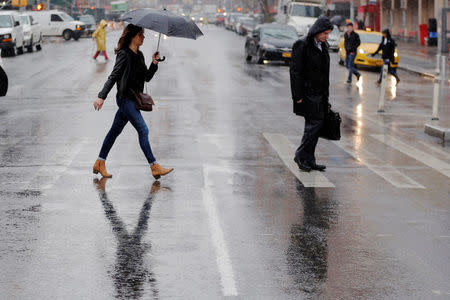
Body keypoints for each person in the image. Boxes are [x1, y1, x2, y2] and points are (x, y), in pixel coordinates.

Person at [92, 24, 173, 180]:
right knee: (143, 130)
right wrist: (102, 96)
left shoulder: (139, 55)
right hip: (124, 99)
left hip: (133, 99)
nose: (143, 37)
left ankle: (99, 162)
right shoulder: (124, 54)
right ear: (133, 36)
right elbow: (113, 76)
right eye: (141, 35)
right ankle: (154, 166)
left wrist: (154, 63)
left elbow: (146, 77)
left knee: (114, 131)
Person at [290, 16, 333, 172]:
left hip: (320, 94)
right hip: (307, 94)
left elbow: (324, 73)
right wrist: (298, 95)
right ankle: (301, 155)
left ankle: (310, 159)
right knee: (314, 125)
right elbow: (295, 72)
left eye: (328, 34)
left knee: (314, 127)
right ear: (317, 31)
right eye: (325, 33)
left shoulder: (323, 45)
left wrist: (326, 96)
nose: (326, 37)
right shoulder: (302, 44)